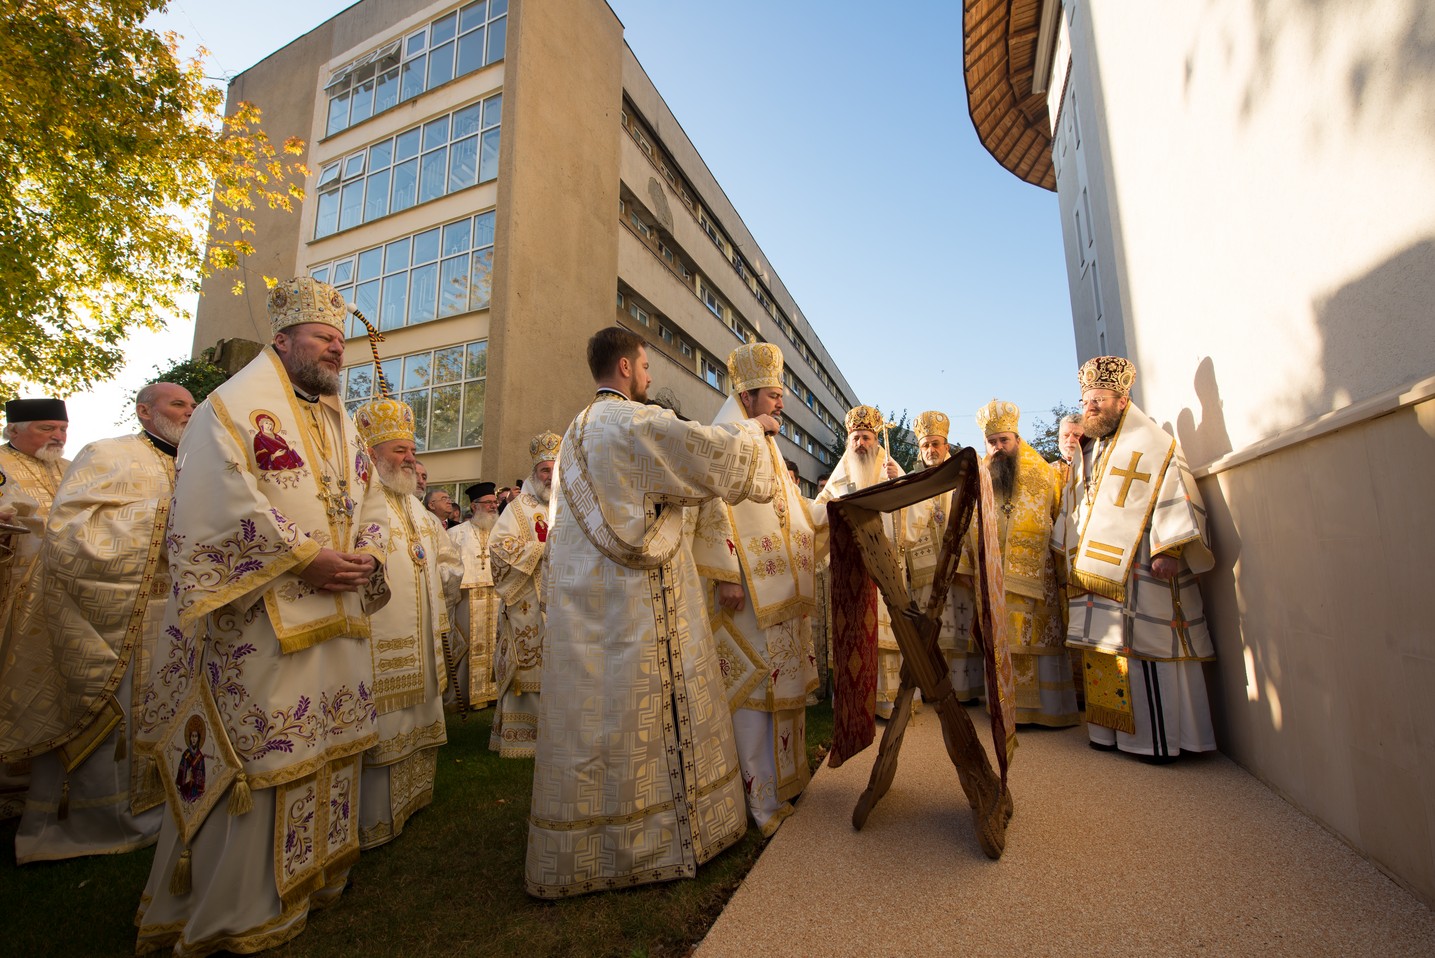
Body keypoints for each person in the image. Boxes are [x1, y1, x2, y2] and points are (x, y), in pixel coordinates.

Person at [132, 276, 390, 956]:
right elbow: (220, 500)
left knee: (325, 744)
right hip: (262, 617)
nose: (335, 351)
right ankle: (244, 906)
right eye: (321, 338)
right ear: (283, 341)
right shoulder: (231, 408)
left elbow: (368, 500)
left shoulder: (341, 421)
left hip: (336, 617)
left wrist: (365, 554)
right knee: (266, 752)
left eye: (339, 341)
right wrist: (304, 557)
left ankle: (315, 877)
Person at [526, 326, 781, 899]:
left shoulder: (572, 435)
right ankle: (661, 841)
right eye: (645, 366)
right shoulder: (630, 422)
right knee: (651, 715)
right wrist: (752, 431)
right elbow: (702, 451)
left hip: (589, 612)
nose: (649, 377)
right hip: (642, 607)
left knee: (602, 724)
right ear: (624, 367)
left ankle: (596, 846)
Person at [0, 384, 195, 862]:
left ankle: (172, 802)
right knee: (118, 720)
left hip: (177, 616)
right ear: (144, 411)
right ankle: (104, 819)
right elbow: (72, 530)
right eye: (178, 404)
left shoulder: (197, 463)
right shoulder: (109, 453)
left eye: (193, 406)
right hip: (117, 614)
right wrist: (165, 522)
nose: (189, 413)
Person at [1054, 356, 1217, 761]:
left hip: (1143, 569)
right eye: (1086, 400)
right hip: (1096, 576)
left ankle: (1153, 741)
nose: (1090, 407)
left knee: (1147, 649)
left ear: (1123, 400)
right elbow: (1077, 506)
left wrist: (1170, 548)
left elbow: (1176, 491)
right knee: (1106, 652)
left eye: (1099, 400)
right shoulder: (1091, 450)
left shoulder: (1153, 444)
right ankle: (1109, 734)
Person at [692, 342, 824, 836]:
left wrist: (839, 506)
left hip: (774, 597)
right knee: (751, 695)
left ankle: (781, 787)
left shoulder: (766, 443)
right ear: (746, 396)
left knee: (775, 692)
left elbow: (794, 515)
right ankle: (758, 804)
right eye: (773, 395)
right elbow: (710, 504)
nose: (781, 403)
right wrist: (726, 574)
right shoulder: (728, 435)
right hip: (743, 595)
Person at [352, 394, 461, 848]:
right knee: (387, 718)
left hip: (422, 632)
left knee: (417, 714)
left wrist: (444, 574)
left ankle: (413, 801)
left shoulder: (416, 508)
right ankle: (374, 819)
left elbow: (444, 554)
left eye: (411, 451)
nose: (410, 460)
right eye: (400, 452)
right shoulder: (357, 497)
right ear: (372, 454)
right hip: (382, 635)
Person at [959, 400, 1077, 727]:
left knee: (1038, 641)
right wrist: (968, 568)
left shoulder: (1044, 474)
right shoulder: (978, 477)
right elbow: (966, 524)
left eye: (1004, 441)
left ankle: (1049, 713)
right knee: (1002, 642)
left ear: (1017, 439)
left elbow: (1062, 519)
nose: (998, 448)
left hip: (1038, 576)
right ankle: (1008, 711)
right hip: (993, 576)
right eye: (992, 442)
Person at [814, 406, 919, 720]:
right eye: (856, 437)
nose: (860, 442)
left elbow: (912, 520)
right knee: (855, 635)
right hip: (853, 571)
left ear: (876, 440)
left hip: (884, 567)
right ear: (850, 441)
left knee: (888, 638)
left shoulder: (890, 469)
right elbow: (820, 515)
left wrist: (899, 483)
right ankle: (855, 703)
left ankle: (888, 704)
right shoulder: (838, 478)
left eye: (866, 437)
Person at [0, 397, 69, 819]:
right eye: (46, 428)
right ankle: (8, 779)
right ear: (13, 431)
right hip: (11, 595)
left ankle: (47, 775)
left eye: (62, 428)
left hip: (58, 596)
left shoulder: (68, 468)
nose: (58, 437)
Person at [487, 433, 559, 758]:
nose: (550, 475)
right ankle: (521, 739)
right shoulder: (519, 508)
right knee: (530, 665)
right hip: (527, 602)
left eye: (555, 469)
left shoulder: (567, 505)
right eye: (545, 470)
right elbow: (499, 547)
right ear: (534, 473)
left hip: (561, 601)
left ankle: (555, 735)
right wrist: (543, 551)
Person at [904, 410, 983, 703]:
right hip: (925, 569)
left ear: (946, 446)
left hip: (957, 569)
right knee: (930, 630)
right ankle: (933, 689)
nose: (931, 450)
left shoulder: (962, 478)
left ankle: (964, 691)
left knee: (960, 628)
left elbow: (974, 521)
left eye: (936, 444)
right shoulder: (912, 482)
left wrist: (966, 564)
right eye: (925, 445)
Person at [448, 482, 500, 710]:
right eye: (487, 503)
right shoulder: (456, 533)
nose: (492, 506)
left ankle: (494, 692)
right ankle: (471, 696)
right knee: (470, 644)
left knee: (496, 644)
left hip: (497, 596)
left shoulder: (501, 532)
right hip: (467, 598)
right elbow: (448, 566)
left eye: (494, 502)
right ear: (474, 505)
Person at [1056, 413, 1084, 484]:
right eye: (1066, 435)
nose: (1070, 440)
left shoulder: (1094, 469)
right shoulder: (1048, 470)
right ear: (1059, 438)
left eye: (1077, 435)